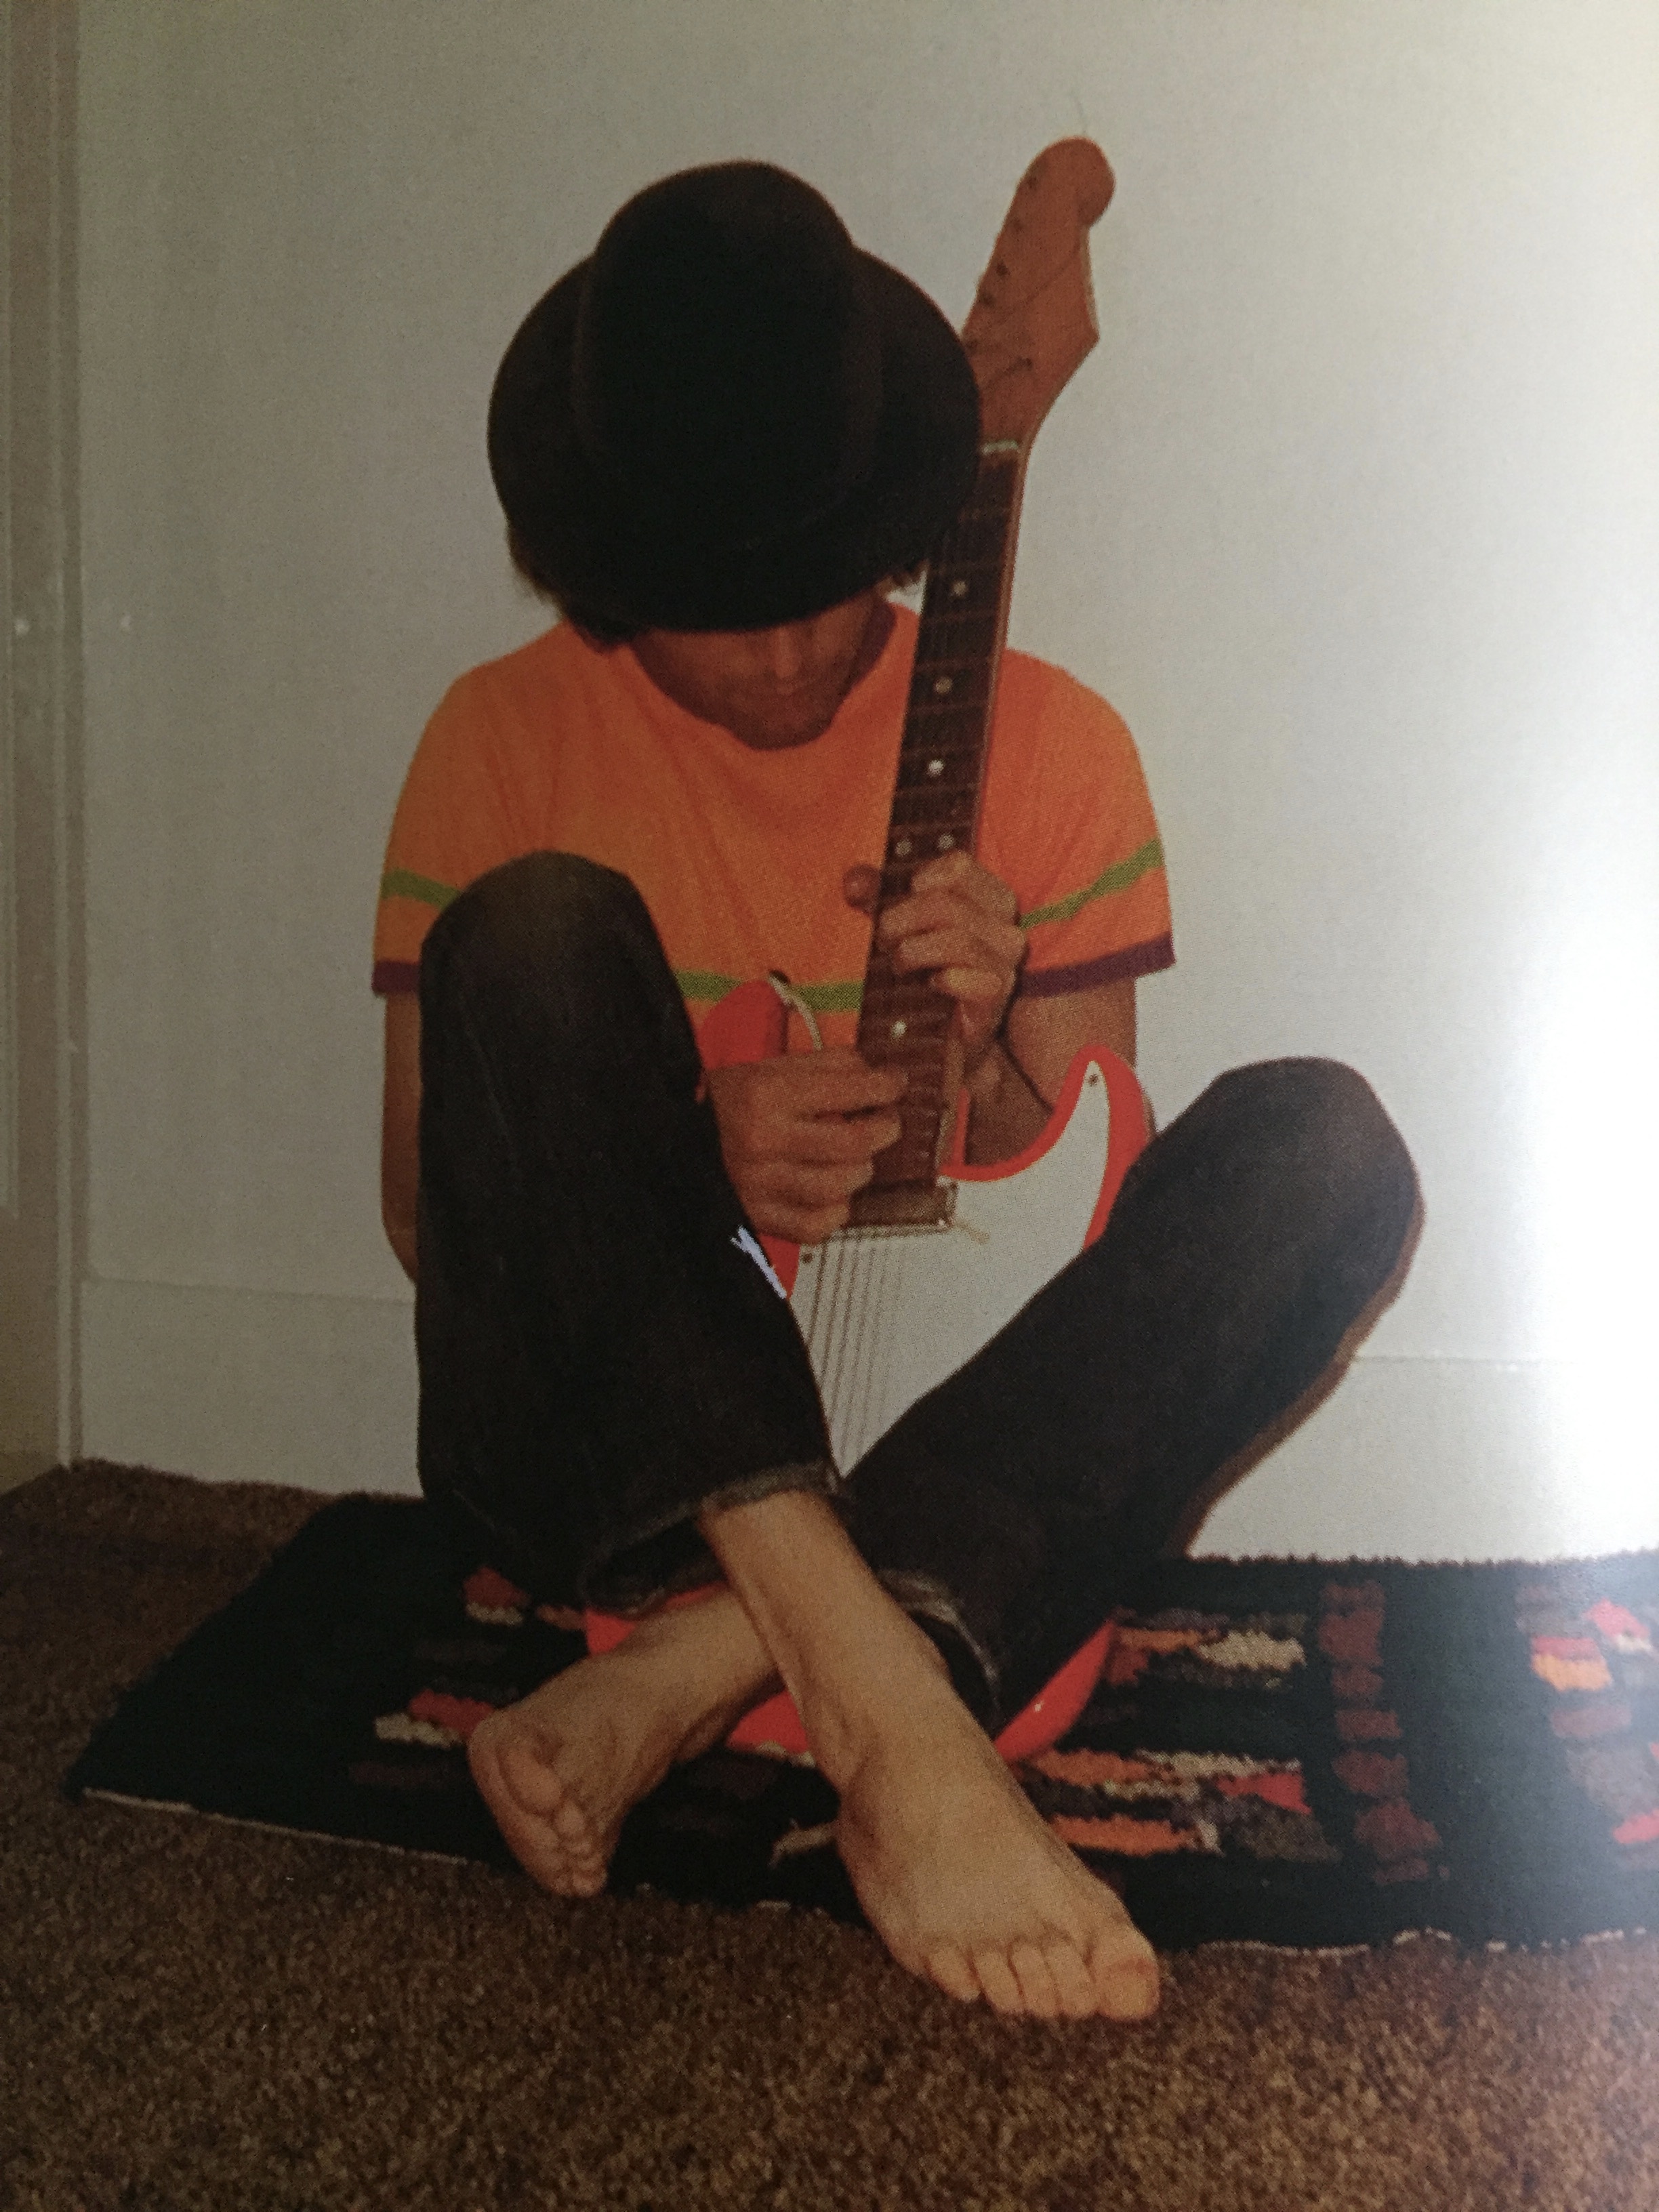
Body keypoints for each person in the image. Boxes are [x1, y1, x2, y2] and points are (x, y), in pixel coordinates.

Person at [373, 163, 1420, 2022]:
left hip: (960, 1453)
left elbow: (1096, 1254)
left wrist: (1007, 1045)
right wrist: (683, 1157)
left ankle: (712, 1659)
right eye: (721, 604)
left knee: (1328, 1147)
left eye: (824, 581)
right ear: (607, 566)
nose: (787, 651)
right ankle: (893, 1709)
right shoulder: (495, 740)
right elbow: (421, 1209)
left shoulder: (1063, 748)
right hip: (599, 1465)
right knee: (530, 930)